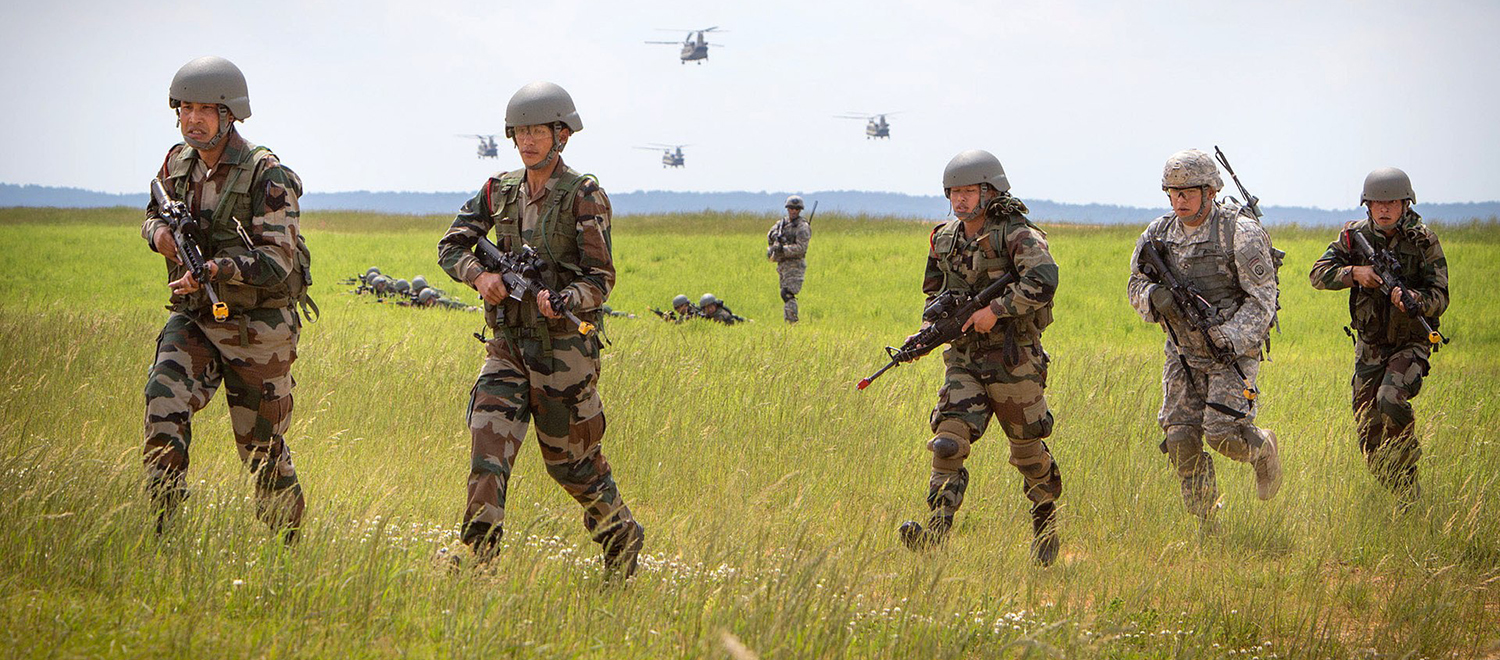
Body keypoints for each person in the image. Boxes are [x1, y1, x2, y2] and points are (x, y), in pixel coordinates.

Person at [437, 81, 643, 580]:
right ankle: (478, 560)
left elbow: (601, 280)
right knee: (488, 450)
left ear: (562, 136)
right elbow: (451, 246)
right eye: (521, 131)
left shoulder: (583, 196)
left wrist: (564, 301)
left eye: (538, 131)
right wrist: (481, 276)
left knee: (570, 465)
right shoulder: (498, 190)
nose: (527, 141)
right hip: (507, 347)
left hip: (563, 354)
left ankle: (621, 534)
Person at [141, 56, 312, 542]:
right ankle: (163, 529)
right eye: (185, 108)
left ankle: (289, 547)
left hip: (258, 327)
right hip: (194, 317)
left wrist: (215, 269)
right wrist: (160, 238)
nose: (192, 119)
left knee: (261, 447)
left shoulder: (266, 174)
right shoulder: (176, 163)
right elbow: (151, 215)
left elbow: (277, 259)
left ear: (229, 114)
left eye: (205, 110)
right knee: (162, 402)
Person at [897, 150, 1063, 565]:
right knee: (947, 442)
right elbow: (935, 293)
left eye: (969, 191)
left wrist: (996, 311)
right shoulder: (944, 237)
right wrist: (928, 334)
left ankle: (1045, 521)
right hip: (966, 359)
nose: (960, 200)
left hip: (1013, 358)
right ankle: (936, 531)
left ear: (990, 191)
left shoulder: (1019, 235)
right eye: (954, 191)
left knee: (1027, 452)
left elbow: (1044, 281)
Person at [1126, 149, 1282, 525]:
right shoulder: (1158, 234)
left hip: (1231, 351)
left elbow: (1263, 300)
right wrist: (1153, 298)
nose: (1179, 200)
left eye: (1188, 192)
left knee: (1222, 433)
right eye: (1173, 193)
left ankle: (1261, 449)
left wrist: (1227, 338)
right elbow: (1135, 282)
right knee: (1180, 438)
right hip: (1182, 351)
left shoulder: (1239, 234)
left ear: (1210, 192)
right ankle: (1207, 520)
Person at [1309, 167, 1447, 507]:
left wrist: (1415, 300)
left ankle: (1408, 473)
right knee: (1367, 428)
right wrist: (1354, 273)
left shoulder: (1423, 241)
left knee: (1390, 398)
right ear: (1367, 205)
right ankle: (1400, 491)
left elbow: (1441, 295)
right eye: (1376, 203)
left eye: (1391, 203)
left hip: (1411, 343)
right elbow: (1317, 274)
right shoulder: (1353, 237)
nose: (1383, 209)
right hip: (1369, 346)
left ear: (1405, 204)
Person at [767, 195, 812, 323]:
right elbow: (770, 235)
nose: (794, 211)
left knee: (788, 294)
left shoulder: (802, 227)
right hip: (783, 264)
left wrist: (784, 249)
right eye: (791, 208)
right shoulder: (781, 224)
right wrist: (776, 238)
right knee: (784, 292)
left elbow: (801, 248)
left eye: (797, 209)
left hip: (795, 265)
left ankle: (791, 322)